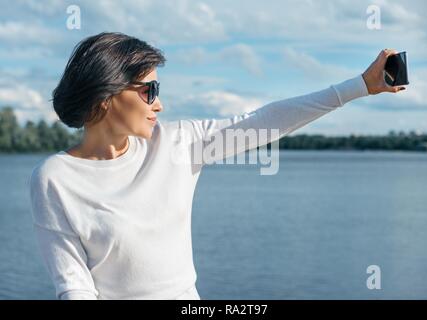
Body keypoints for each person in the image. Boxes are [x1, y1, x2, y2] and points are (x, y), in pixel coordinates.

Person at [28, 32, 406, 300]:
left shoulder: (177, 144)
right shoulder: (54, 179)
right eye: (149, 90)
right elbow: (74, 286)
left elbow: (264, 121)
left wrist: (359, 86)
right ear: (107, 95)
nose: (158, 104)